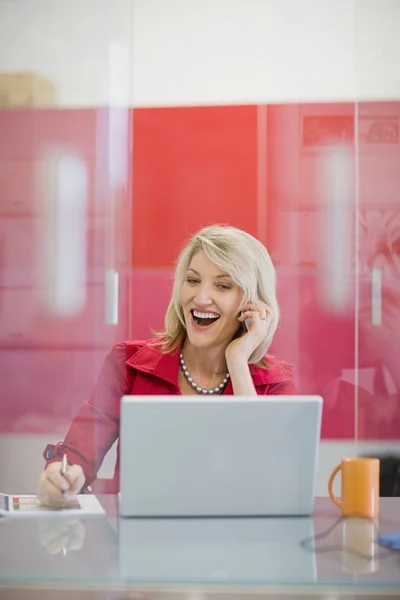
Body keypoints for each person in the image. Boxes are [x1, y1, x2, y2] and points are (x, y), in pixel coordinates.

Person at [38, 225, 294, 507]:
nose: (201, 298)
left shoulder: (275, 383)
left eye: (223, 285)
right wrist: (60, 478)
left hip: (236, 542)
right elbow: (77, 456)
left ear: (252, 305)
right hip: (138, 541)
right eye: (193, 280)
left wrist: (238, 361)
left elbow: (270, 483)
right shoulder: (129, 364)